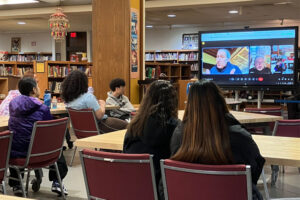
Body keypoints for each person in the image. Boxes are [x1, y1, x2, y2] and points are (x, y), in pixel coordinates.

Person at [170, 80, 265, 200]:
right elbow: (255, 168)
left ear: (189, 105)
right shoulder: (239, 137)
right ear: (220, 101)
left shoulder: (179, 135)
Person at [8, 77, 68, 196]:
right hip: (38, 154)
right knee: (58, 150)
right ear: (34, 89)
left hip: (16, 152)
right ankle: (57, 182)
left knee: (16, 142)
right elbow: (49, 129)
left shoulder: (12, 104)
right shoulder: (42, 108)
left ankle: (16, 184)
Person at [123, 80, 179, 196]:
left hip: (131, 188)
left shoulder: (133, 126)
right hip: (162, 190)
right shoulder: (176, 129)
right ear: (173, 102)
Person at [61, 70, 127, 133]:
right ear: (84, 83)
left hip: (81, 129)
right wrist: (102, 104)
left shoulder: (68, 100)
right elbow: (100, 115)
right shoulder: (88, 97)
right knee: (128, 126)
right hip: (99, 125)